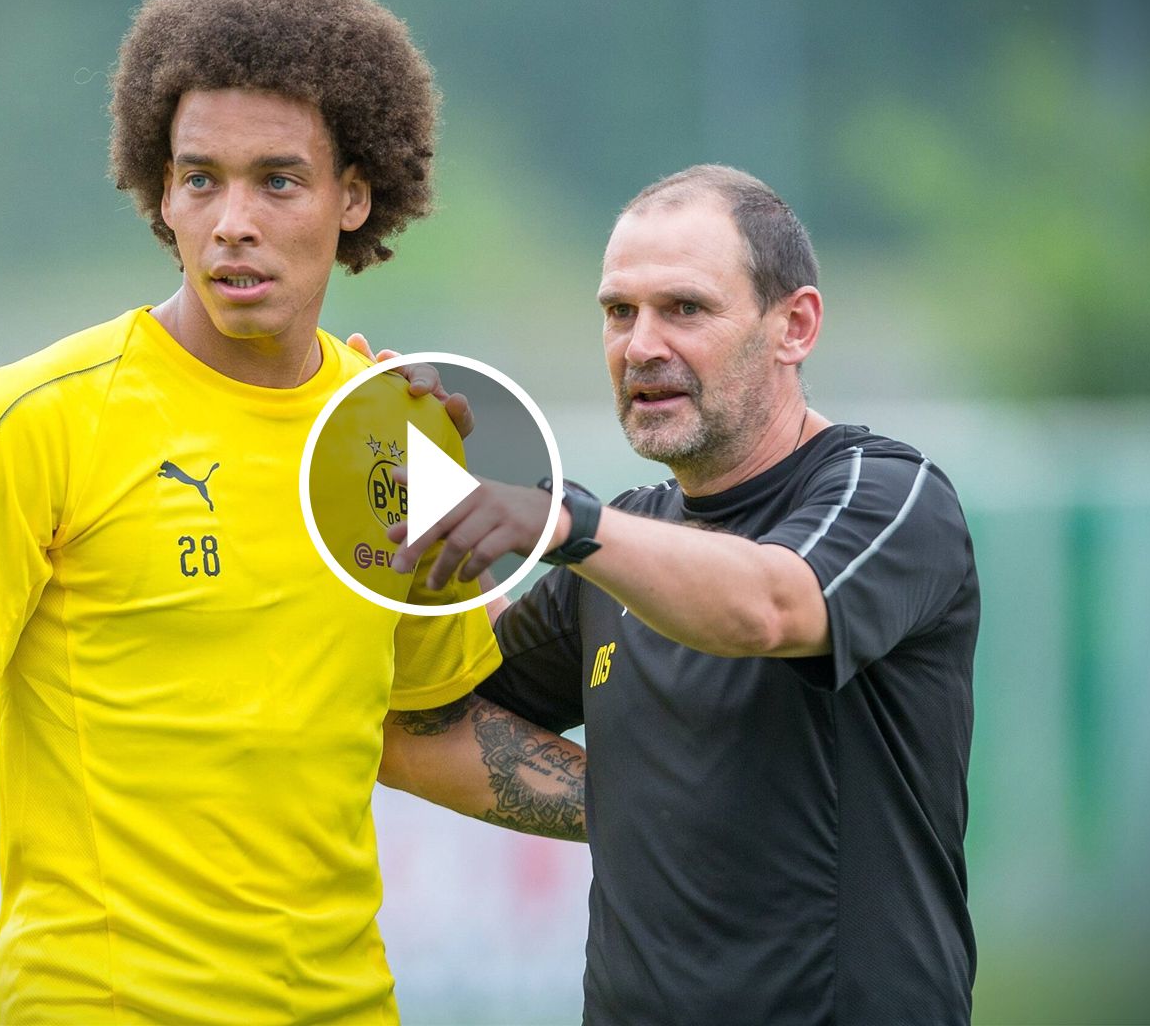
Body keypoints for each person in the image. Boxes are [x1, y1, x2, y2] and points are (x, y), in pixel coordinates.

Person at [0, 0, 584, 1024]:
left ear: (354, 197)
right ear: (162, 193)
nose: (232, 221)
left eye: (278, 180)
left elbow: (424, 734)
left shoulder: (393, 440)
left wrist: (658, 807)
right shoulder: (41, 417)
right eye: (200, 180)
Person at [393, 164, 980, 1023]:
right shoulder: (619, 545)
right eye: (618, 312)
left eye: (686, 309)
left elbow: (772, 605)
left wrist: (563, 523)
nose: (641, 345)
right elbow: (427, 721)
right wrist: (401, 492)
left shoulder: (891, 494)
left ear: (795, 325)